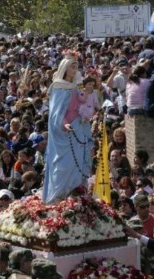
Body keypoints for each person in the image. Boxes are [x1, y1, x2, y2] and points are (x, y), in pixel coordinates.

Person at [42, 50, 92, 204]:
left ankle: (76, 193)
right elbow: (56, 113)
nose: (74, 69)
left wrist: (85, 111)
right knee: (63, 166)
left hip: (78, 127)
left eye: (76, 66)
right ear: (65, 68)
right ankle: (59, 196)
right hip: (64, 132)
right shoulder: (58, 86)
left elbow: (81, 103)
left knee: (78, 160)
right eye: (72, 66)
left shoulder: (75, 86)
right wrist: (64, 123)